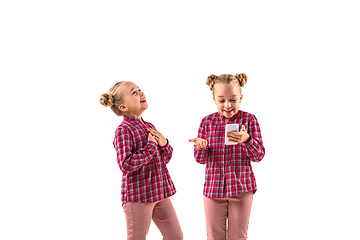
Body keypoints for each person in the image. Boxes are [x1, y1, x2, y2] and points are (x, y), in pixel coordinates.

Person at [100, 81, 183, 240]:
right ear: (123, 107)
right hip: (138, 196)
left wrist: (164, 143)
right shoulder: (124, 130)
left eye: (139, 90)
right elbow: (126, 164)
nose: (141, 93)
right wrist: (151, 146)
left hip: (159, 191)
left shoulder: (149, 125)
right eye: (134, 93)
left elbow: (163, 159)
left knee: (175, 236)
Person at [189, 73, 265, 240]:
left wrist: (247, 140)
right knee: (214, 237)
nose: (228, 105)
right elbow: (200, 160)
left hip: (242, 189)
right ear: (214, 99)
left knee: (238, 237)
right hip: (213, 190)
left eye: (233, 99)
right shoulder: (206, 122)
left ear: (241, 98)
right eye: (222, 100)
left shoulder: (249, 120)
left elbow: (259, 155)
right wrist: (201, 147)